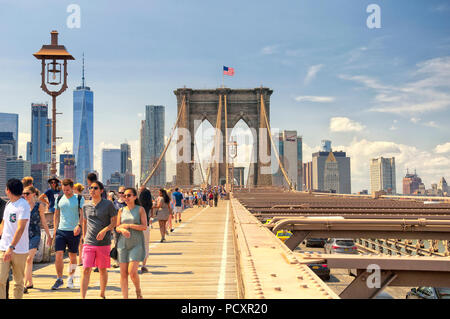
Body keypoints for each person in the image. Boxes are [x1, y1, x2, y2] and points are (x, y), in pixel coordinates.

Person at [80, 181, 117, 299]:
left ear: (101, 190)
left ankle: (102, 293)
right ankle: (82, 297)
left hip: (103, 243)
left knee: (102, 269)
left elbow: (114, 222)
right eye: (90, 188)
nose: (92, 190)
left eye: (95, 188)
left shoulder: (108, 204)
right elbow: (85, 222)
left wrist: (105, 230)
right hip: (89, 242)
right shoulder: (86, 206)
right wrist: (84, 237)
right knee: (86, 269)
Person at [51, 179, 85, 290]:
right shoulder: (59, 198)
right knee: (58, 255)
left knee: (72, 256)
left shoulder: (79, 199)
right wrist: (55, 229)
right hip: (61, 230)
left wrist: (79, 226)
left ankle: (70, 278)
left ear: (72, 188)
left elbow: (82, 215)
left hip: (74, 231)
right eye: (63, 189)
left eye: (67, 190)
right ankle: (59, 279)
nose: (65, 191)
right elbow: (56, 214)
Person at [0, 179, 30, 299]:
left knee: (18, 282)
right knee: (1, 280)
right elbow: (3, 222)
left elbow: (20, 228)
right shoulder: (8, 204)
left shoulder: (23, 205)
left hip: (19, 250)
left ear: (8, 190)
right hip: (3, 247)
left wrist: (11, 247)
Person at [115, 188, 147, 299]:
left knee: (132, 272)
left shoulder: (140, 210)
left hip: (136, 244)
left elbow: (144, 227)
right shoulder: (121, 210)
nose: (126, 198)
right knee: (123, 274)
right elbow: (117, 226)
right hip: (122, 244)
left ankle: (138, 290)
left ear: (135, 197)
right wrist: (122, 230)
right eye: (124, 196)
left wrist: (129, 226)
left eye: (129, 195)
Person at [23, 186, 52, 294]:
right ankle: (30, 282)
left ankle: (24, 285)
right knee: (27, 260)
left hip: (35, 234)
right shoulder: (22, 206)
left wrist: (49, 235)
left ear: (34, 194)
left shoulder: (39, 206)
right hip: (23, 235)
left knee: (29, 259)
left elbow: (43, 221)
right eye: (23, 193)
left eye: (27, 193)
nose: (25, 195)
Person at [138, 186, 153, 274]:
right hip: (145, 226)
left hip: (136, 226)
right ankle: (143, 266)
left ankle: (134, 265)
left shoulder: (137, 206)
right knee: (145, 245)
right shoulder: (148, 205)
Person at [73, 183, 85, 266]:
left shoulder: (78, 198)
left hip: (77, 222)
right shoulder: (81, 198)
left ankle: (80, 260)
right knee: (80, 242)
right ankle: (80, 260)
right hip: (78, 222)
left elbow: (82, 211)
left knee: (79, 242)